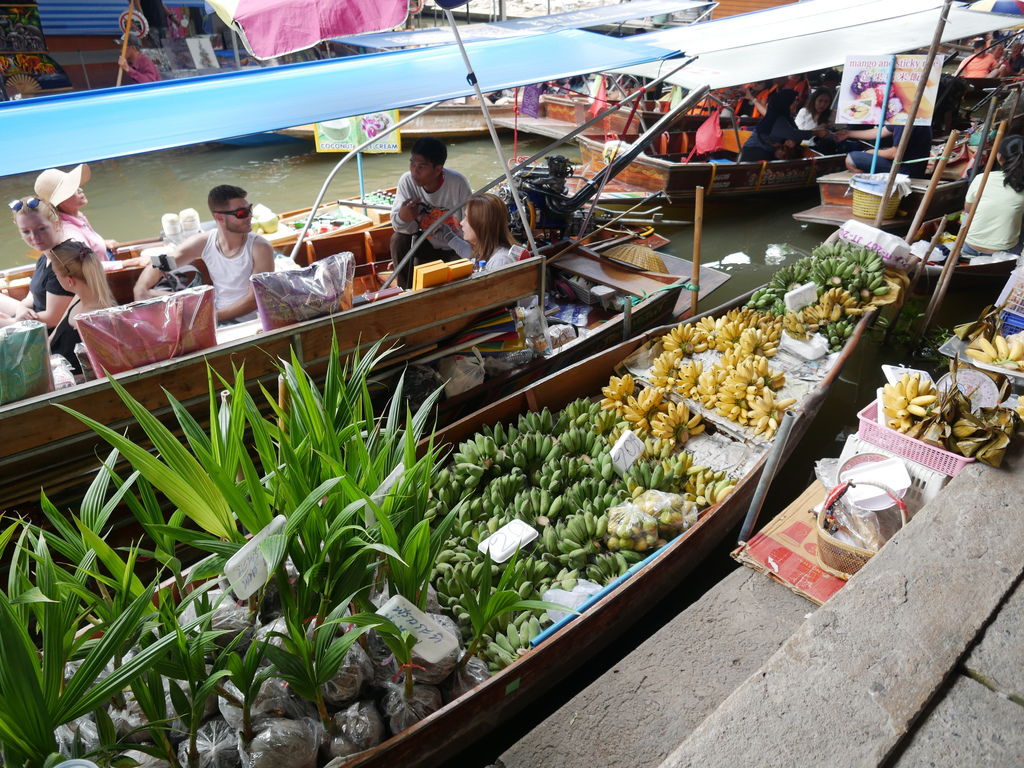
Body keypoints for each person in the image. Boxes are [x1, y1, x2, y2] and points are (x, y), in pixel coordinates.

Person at [133, 184, 273, 323]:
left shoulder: (260, 247)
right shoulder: (203, 242)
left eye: (249, 209)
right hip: (218, 315)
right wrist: (140, 290)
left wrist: (211, 317)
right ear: (219, 218)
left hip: (252, 321)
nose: (249, 216)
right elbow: (158, 264)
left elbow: (254, 299)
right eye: (242, 213)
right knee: (150, 295)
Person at [390, 136, 472, 288]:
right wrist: (404, 217)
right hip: (425, 243)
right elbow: (398, 225)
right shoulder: (407, 181)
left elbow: (473, 227)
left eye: (421, 166)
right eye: (412, 164)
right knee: (398, 239)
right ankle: (403, 291)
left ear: (438, 169)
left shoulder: (458, 183)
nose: (415, 171)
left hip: (455, 246)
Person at [47, 239, 117, 374]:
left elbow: (95, 375)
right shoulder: (79, 297)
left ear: (69, 281)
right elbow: (51, 339)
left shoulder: (96, 320)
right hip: (53, 367)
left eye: (56, 275)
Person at [7, 197, 74, 329]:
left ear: (56, 224)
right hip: (32, 316)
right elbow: (30, 297)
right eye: (26, 231)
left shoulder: (63, 264)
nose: (34, 237)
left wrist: (13, 322)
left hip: (46, 332)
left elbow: (53, 319)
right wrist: (21, 308)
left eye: (41, 229)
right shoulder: (45, 256)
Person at [34, 163, 117, 261]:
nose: (80, 190)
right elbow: (88, 270)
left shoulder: (78, 216)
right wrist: (128, 263)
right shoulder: (69, 234)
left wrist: (102, 243)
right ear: (61, 201)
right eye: (72, 189)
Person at [961, 134, 1024, 256]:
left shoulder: (981, 179)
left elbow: (968, 210)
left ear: (999, 157)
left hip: (969, 245)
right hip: (1004, 252)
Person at [739, 89, 837, 162]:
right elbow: (793, 133)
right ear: (786, 104)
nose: (796, 103)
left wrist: (793, 140)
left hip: (769, 151)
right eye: (794, 101)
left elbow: (796, 133)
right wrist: (816, 132)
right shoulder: (776, 117)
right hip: (756, 151)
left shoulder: (787, 117)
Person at [844, 124, 933, 178]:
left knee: (851, 159)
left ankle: (868, 189)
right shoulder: (907, 117)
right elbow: (880, 131)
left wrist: (870, 152)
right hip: (908, 166)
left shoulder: (906, 120)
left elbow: (894, 153)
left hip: (907, 170)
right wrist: (848, 133)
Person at [460, 194, 518, 271]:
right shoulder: (483, 252)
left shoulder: (500, 262)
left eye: (467, 218)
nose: (461, 223)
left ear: (481, 224)